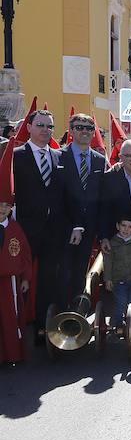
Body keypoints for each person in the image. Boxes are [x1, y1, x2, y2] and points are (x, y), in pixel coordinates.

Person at [12, 109, 72, 344]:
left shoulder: (60, 157)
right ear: (28, 127)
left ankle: (42, 330)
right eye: (40, 125)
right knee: (18, 281)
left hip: (53, 232)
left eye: (49, 126)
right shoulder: (15, 155)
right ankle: (13, 331)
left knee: (48, 281)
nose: (45, 130)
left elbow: (65, 196)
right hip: (23, 230)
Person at [59, 113, 106, 303]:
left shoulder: (99, 160)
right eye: (79, 127)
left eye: (89, 128)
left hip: (89, 228)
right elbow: (58, 197)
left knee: (80, 272)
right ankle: (60, 316)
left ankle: (75, 316)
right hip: (65, 227)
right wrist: (74, 225)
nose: (84, 132)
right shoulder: (58, 157)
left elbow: (100, 196)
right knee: (63, 273)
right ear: (71, 131)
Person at [0, 142, 33, 364]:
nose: (2, 209)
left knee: (9, 319)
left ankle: (11, 354)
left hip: (9, 282)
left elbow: (25, 255)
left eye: (6, 205)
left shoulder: (14, 229)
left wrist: (25, 278)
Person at [102, 215, 131, 329]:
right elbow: (108, 262)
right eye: (123, 225)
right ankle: (118, 325)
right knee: (121, 302)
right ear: (117, 226)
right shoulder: (112, 243)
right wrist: (107, 279)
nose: (126, 229)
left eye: (130, 227)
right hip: (119, 280)